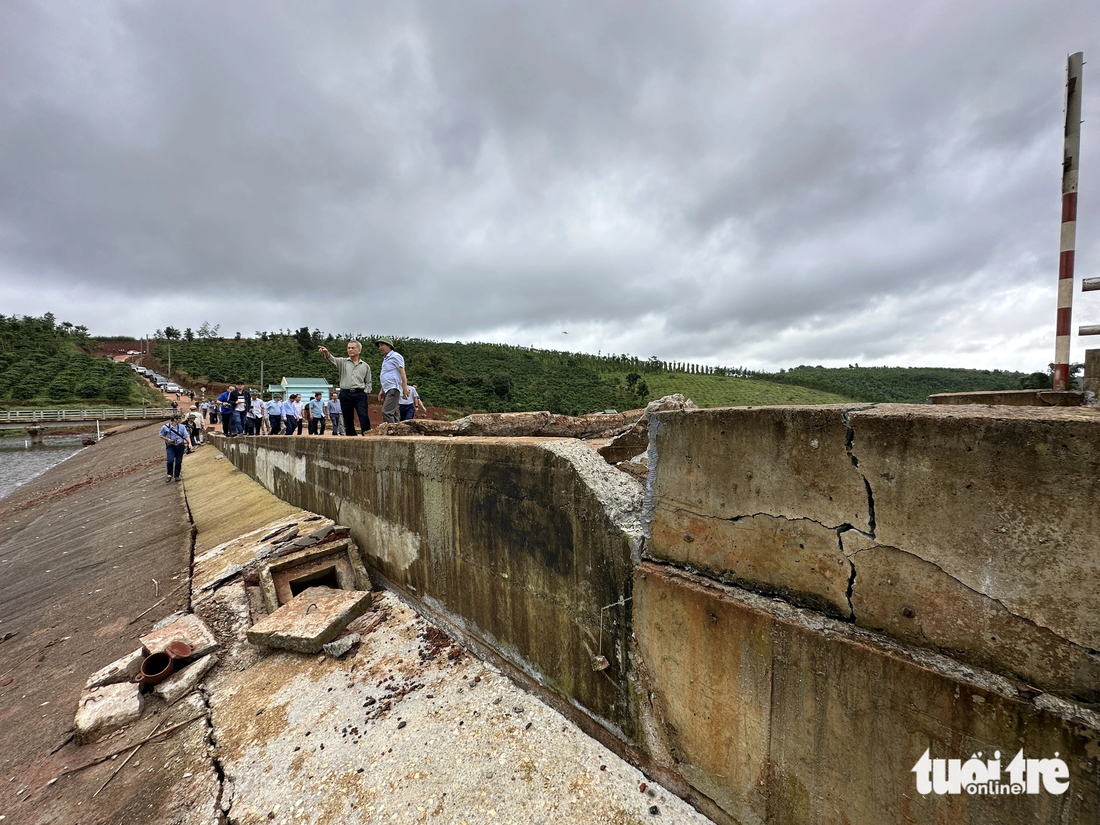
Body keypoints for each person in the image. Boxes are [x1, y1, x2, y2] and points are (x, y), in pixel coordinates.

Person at [318, 341, 372, 436]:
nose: (350, 350)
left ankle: (366, 435)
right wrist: (326, 352)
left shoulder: (365, 366)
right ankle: (351, 436)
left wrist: (365, 392)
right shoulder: (343, 362)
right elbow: (331, 359)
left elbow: (368, 382)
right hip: (346, 393)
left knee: (363, 415)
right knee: (347, 417)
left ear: (359, 350)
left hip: (360, 393)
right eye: (348, 348)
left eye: (353, 348)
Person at [375, 338, 407, 424]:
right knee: (393, 413)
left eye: (382, 345)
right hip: (387, 388)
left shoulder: (395, 356)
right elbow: (387, 375)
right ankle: (399, 433)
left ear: (389, 346)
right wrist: (382, 390)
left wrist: (405, 387)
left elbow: (402, 372)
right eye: (379, 346)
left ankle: (391, 432)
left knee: (386, 411)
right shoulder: (386, 359)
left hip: (393, 388)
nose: (380, 347)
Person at [160, 412, 189, 483]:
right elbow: (161, 435)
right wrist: (168, 439)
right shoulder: (165, 427)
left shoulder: (182, 427)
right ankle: (169, 474)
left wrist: (189, 443)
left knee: (178, 462)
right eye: (179, 418)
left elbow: (186, 435)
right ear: (175, 419)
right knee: (170, 460)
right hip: (170, 446)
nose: (181, 420)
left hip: (180, 445)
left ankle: (177, 475)